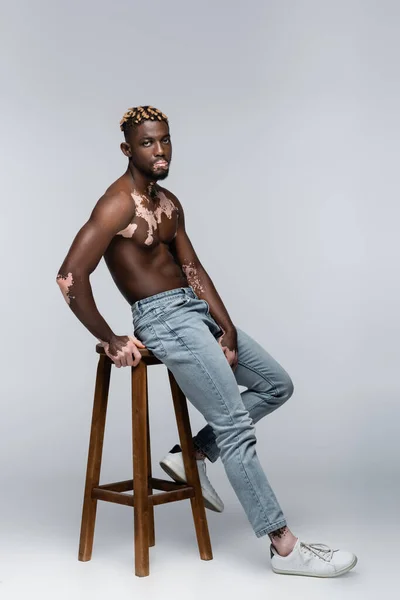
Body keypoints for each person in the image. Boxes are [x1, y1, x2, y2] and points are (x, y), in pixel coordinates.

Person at [56, 105, 357, 577]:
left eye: (165, 140)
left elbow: (193, 270)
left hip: (194, 314)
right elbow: (70, 276)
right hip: (161, 319)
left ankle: (190, 454)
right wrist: (111, 338)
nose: (159, 151)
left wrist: (227, 325)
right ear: (126, 149)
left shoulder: (170, 202)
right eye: (148, 143)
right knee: (236, 423)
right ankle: (284, 546)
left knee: (277, 385)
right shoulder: (116, 204)